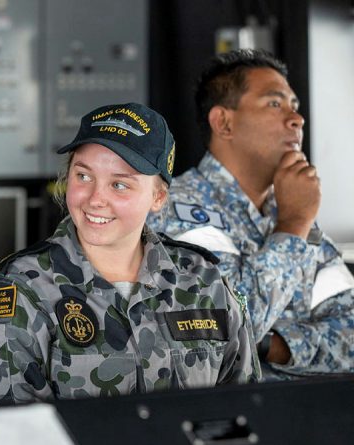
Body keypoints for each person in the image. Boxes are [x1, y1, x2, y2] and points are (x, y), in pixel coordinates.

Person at [0, 103, 259, 406]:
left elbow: (245, 410)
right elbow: (8, 433)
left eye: (119, 184)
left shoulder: (203, 283)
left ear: (158, 197)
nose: (96, 199)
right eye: (83, 176)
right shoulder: (20, 292)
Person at [148, 49, 354, 378]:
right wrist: (292, 226)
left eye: (295, 107)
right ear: (224, 123)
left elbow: (352, 335)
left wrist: (274, 346)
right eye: (274, 103)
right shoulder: (175, 208)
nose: (296, 119)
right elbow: (229, 332)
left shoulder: (289, 210)